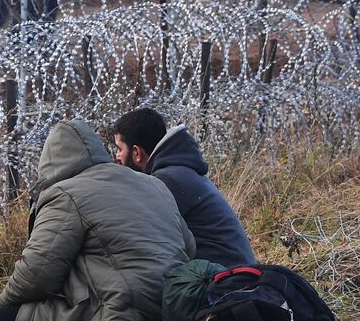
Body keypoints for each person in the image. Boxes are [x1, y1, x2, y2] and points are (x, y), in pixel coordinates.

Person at [0, 119, 197, 321]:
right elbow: (188, 246)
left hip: (120, 316)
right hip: (172, 311)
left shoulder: (65, 194)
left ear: (50, 163)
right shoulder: (154, 184)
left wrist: (2, 305)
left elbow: (36, 274)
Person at [110, 108, 257, 268]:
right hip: (232, 272)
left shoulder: (167, 180)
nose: (117, 156)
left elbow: (140, 238)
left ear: (137, 152)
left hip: (227, 281)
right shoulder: (177, 172)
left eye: (119, 149)